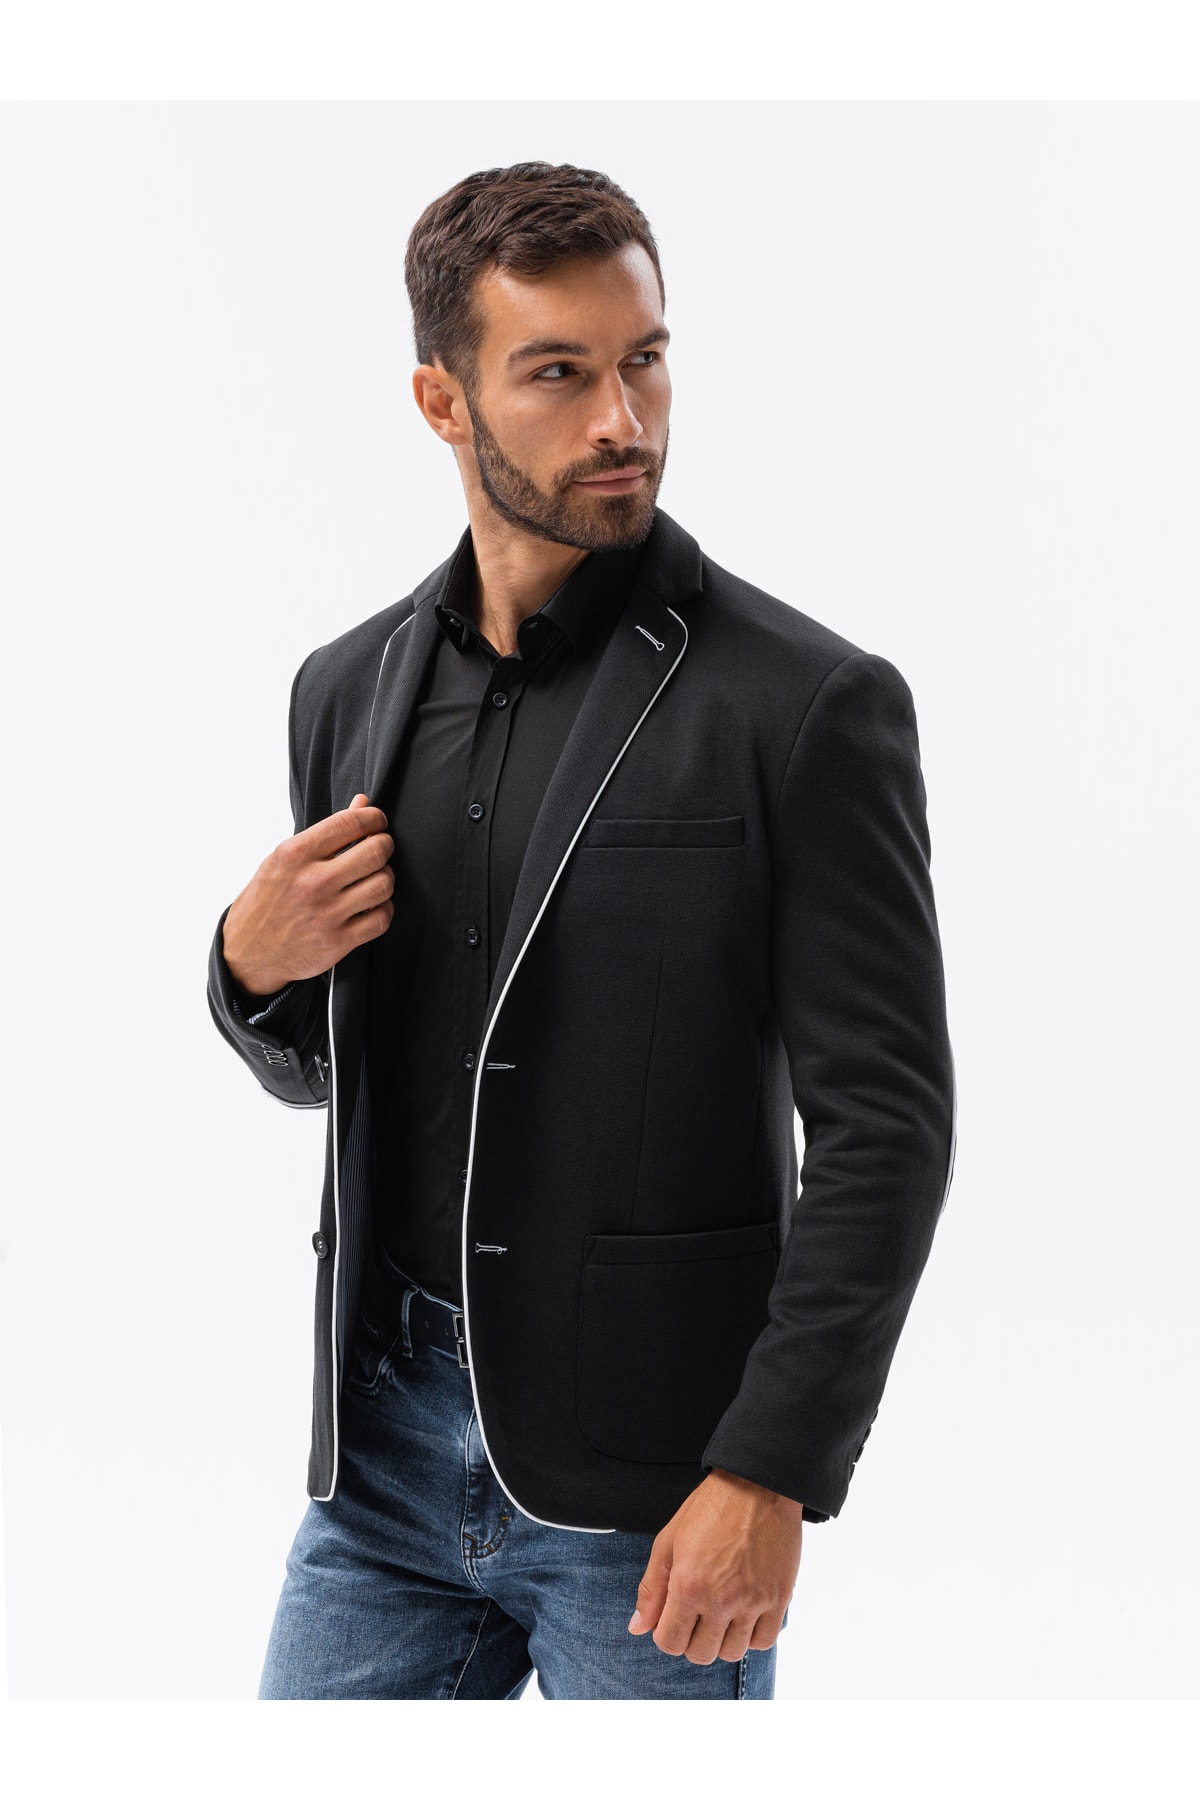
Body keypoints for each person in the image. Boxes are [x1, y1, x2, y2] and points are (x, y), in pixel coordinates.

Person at [207, 161, 957, 1701]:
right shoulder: (345, 691)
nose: (624, 419)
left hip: (657, 1488)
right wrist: (250, 972)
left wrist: (770, 1468)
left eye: (645, 360)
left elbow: (885, 1127)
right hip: (382, 1463)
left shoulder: (802, 704)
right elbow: (346, 1076)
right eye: (558, 372)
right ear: (443, 400)